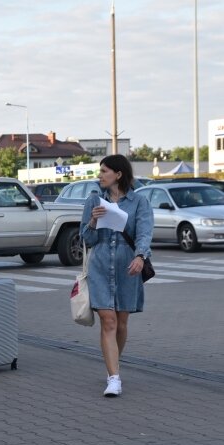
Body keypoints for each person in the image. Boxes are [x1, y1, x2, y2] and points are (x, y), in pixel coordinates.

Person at [80, 154, 153, 397]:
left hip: (127, 265)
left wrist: (140, 256)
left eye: (104, 171)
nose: (99, 175)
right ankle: (114, 378)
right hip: (100, 265)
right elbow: (87, 239)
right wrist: (92, 220)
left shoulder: (139, 202)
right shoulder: (93, 201)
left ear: (118, 174)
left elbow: (144, 233)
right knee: (108, 320)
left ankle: (114, 366)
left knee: (121, 323)